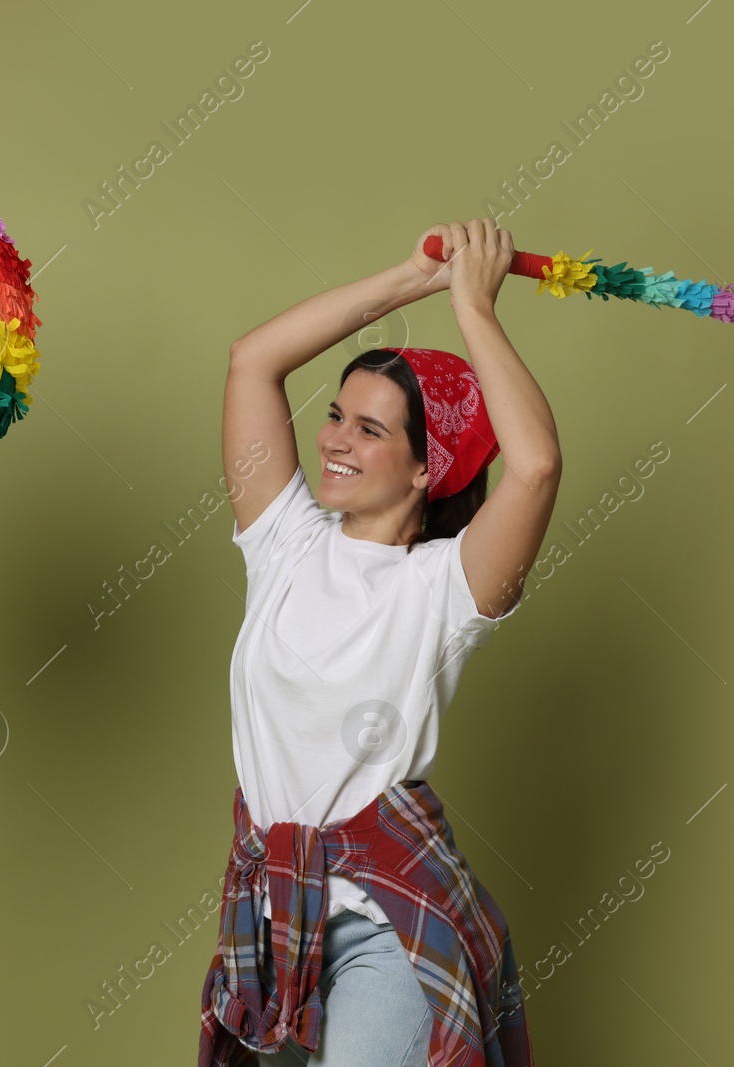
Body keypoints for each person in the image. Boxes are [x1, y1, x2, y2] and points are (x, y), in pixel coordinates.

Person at [198, 218, 560, 1067]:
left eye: (370, 429)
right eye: (335, 415)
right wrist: (413, 279)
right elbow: (253, 358)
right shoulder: (284, 539)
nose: (332, 439)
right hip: (273, 921)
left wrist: (475, 306)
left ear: (428, 465)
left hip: (385, 926)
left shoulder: (447, 587)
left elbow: (536, 465)